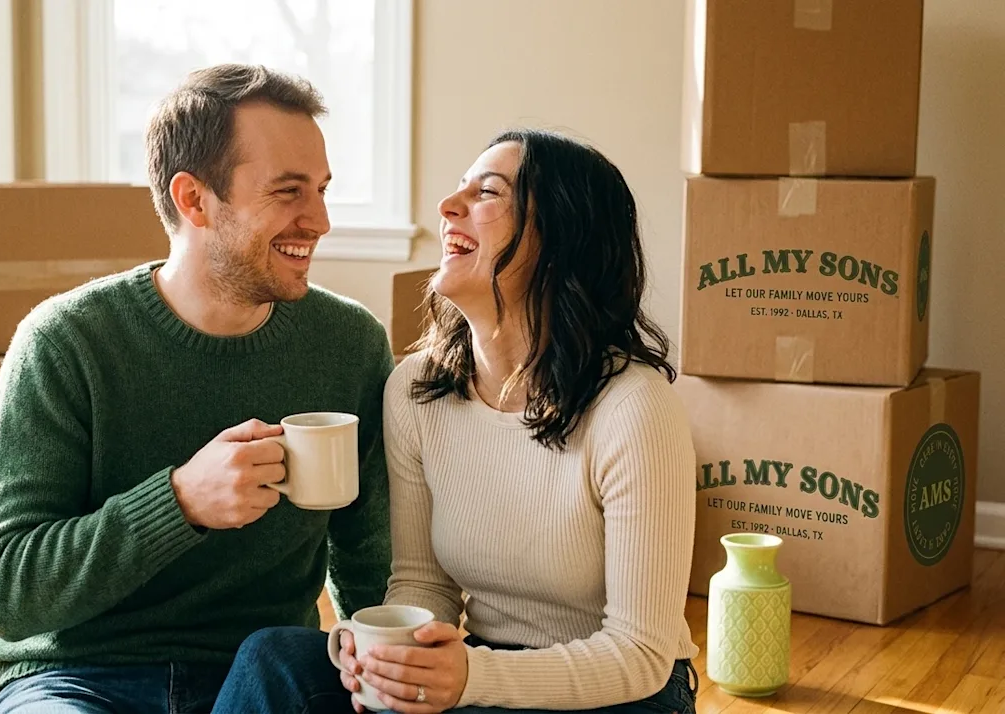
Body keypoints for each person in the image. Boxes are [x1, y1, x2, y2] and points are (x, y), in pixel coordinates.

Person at [225, 128, 700, 713]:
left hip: (622, 692)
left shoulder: (633, 409)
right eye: (458, 190)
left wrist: (473, 676)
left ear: (561, 237)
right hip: (478, 669)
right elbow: (424, 587)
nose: (450, 208)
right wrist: (383, 650)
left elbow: (641, 654)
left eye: (488, 194)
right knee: (273, 659)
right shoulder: (417, 392)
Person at [0, 63, 394, 714]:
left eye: (321, 189)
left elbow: (367, 553)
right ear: (194, 199)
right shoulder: (64, 342)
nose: (320, 220)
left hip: (264, 674)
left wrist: (380, 666)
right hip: (81, 678)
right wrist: (180, 503)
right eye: (288, 192)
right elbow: (8, 591)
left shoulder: (349, 343)